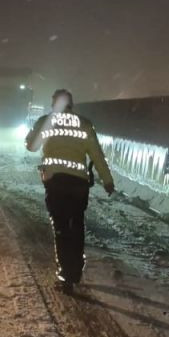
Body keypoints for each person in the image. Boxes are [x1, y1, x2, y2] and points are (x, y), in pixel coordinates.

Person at [24, 89, 114, 290]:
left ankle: (66, 274)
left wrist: (33, 134)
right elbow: (97, 155)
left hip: (55, 183)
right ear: (72, 105)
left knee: (61, 227)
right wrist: (107, 181)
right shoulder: (84, 124)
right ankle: (76, 270)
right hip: (79, 185)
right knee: (77, 226)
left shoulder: (45, 121)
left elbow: (31, 146)